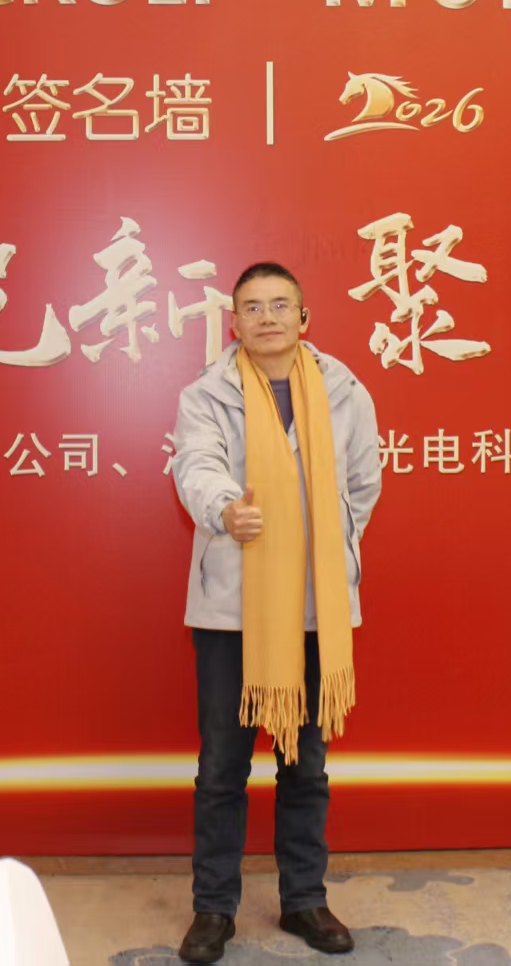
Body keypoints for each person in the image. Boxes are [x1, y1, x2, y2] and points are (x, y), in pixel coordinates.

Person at [169, 262, 383, 962]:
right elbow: (194, 466)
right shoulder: (206, 393)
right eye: (253, 307)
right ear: (233, 322)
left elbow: (363, 481)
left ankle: (304, 899)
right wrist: (224, 509)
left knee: (307, 765)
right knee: (222, 768)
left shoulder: (344, 390)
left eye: (280, 305)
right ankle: (213, 909)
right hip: (233, 609)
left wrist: (322, 542)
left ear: (304, 317)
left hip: (317, 607)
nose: (267, 317)